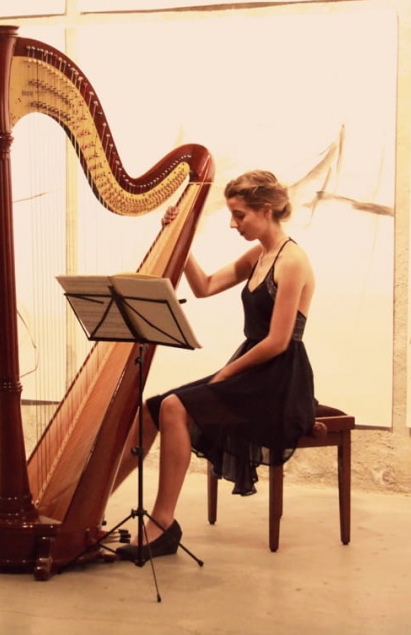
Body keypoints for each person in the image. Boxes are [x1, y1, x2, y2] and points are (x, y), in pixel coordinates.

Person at [113, 169, 318, 560]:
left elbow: (278, 342)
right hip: (252, 370)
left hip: (279, 378)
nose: (233, 224)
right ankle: (89, 508)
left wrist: (226, 373)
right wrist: (181, 241)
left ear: (266, 210)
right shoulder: (259, 255)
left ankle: (162, 524)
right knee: (151, 409)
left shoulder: (292, 260)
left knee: (175, 406)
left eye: (240, 215)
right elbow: (204, 286)